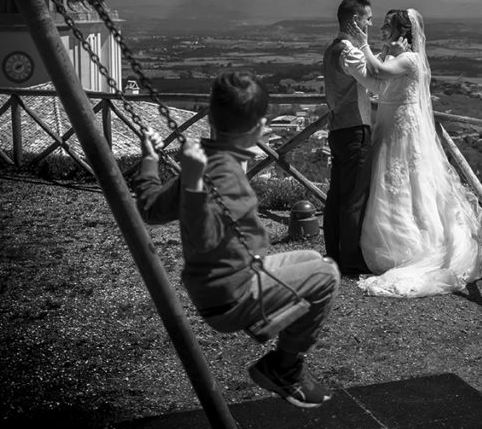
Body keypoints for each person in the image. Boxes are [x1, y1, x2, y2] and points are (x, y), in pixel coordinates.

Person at [135, 72, 340, 408]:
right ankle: (284, 369)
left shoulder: (204, 158)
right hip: (230, 296)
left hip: (228, 279)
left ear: (212, 118)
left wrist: (149, 159)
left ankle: (269, 320)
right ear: (260, 126)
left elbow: (150, 209)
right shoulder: (217, 174)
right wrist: (192, 186)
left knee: (314, 261)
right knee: (328, 276)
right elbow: (205, 240)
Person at [341, 8, 482, 297]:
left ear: (403, 32)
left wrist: (364, 44)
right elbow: (376, 81)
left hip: (401, 128)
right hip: (388, 121)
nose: (382, 29)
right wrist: (381, 50)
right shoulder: (395, 55)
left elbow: (378, 71)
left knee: (406, 183)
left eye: (387, 25)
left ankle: (411, 247)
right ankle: (387, 245)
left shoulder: (410, 59)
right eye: (382, 25)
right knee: (390, 184)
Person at [321, 0, 374, 276]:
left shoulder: (331, 49)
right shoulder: (350, 51)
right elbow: (373, 83)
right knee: (354, 196)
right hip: (355, 128)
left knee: (336, 195)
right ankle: (351, 259)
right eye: (368, 18)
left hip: (337, 128)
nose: (371, 23)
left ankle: (334, 252)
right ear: (355, 21)